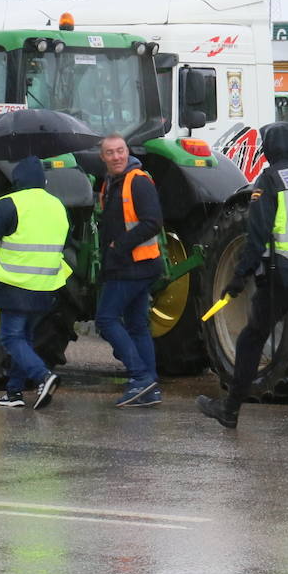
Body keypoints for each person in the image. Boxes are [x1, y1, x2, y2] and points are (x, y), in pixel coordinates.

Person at [196, 122, 288, 434]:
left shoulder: (269, 180)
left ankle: (230, 409)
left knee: (252, 339)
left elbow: (257, 235)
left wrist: (240, 277)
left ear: (270, 149)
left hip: (281, 277)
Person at [0, 155, 72, 411]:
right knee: (25, 336)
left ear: (17, 179)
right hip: (46, 285)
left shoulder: (10, 203)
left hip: (15, 285)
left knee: (12, 338)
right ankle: (13, 392)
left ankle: (43, 377)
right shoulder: (58, 205)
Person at [96, 134, 165, 408]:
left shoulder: (137, 181)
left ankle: (140, 377)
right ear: (103, 157)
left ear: (128, 152)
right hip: (130, 265)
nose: (116, 157)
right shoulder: (111, 184)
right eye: (110, 153)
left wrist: (118, 246)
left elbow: (152, 222)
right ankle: (149, 388)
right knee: (137, 325)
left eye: (120, 151)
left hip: (134, 265)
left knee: (105, 319)